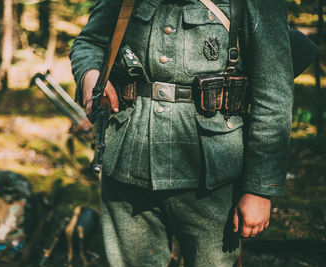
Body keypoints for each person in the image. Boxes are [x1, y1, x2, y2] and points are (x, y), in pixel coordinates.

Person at [70, 0, 294, 266]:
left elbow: (273, 94)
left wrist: (259, 189)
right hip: (129, 162)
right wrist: (90, 76)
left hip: (213, 175)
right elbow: (90, 42)